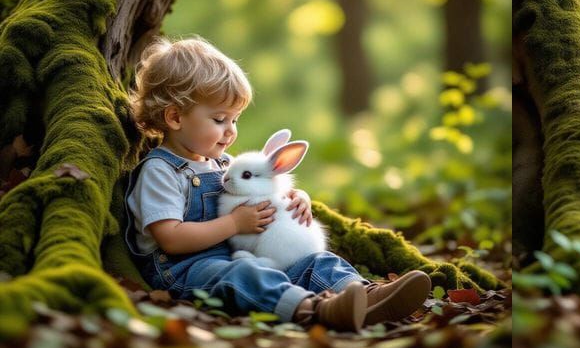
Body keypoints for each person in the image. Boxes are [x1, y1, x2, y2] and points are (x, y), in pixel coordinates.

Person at [125, 36, 430, 331]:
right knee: (246, 274)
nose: (230, 131)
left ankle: (364, 295)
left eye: (235, 120)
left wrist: (294, 199)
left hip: (239, 255)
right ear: (175, 117)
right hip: (186, 270)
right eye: (220, 119)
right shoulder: (160, 171)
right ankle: (315, 310)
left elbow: (265, 187)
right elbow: (171, 238)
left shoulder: (224, 166)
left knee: (314, 260)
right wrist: (234, 224)